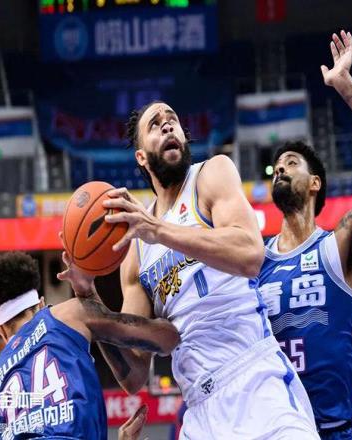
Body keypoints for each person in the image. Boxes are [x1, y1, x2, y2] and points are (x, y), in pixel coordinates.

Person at [60, 99, 320, 438]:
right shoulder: (137, 247)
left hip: (256, 380)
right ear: (141, 157)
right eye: (155, 125)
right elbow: (134, 374)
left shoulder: (210, 175)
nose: (168, 125)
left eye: (173, 119)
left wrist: (159, 230)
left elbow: (250, 254)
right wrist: (87, 295)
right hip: (199, 410)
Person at [257, 30, 352, 439]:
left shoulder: (339, 246)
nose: (281, 168)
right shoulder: (254, 261)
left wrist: (345, 84)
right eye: (277, 166)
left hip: (331, 431)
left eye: (292, 162)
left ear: (315, 184)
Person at [0, 251, 180, 440]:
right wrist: (91, 298)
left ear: (0, 330)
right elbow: (168, 338)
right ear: (41, 304)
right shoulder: (68, 315)